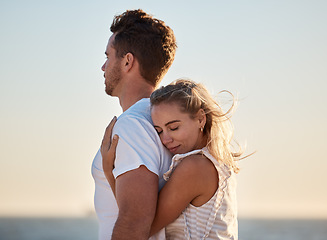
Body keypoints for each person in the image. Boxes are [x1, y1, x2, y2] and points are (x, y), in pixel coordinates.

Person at [102, 79, 243, 239]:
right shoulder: (218, 162)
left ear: (200, 119)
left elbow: (141, 227)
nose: (165, 139)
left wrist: (108, 171)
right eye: (159, 131)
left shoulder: (195, 167)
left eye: (173, 127)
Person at [91, 9, 177, 240]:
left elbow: (134, 223)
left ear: (128, 61)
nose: (103, 67)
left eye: (108, 56)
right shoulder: (170, 123)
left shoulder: (132, 126)